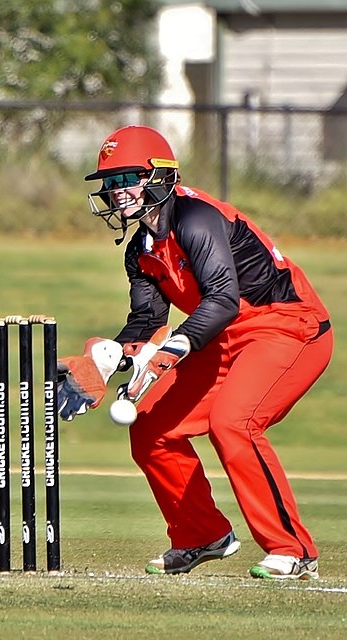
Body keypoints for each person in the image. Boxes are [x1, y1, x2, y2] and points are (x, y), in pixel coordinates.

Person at [56, 125, 332, 580]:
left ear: (159, 176)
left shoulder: (195, 217)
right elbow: (146, 324)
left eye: (127, 178)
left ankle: (293, 548)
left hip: (289, 326)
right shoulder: (140, 249)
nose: (116, 191)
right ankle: (201, 535)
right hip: (222, 336)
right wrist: (107, 361)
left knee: (233, 423)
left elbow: (222, 298)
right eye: (110, 182)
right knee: (152, 428)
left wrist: (174, 349)